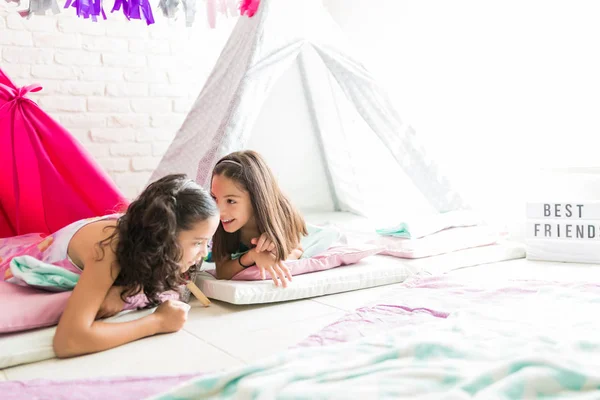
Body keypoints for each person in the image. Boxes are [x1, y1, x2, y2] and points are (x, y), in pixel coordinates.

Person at [44, 174, 219, 358]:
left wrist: (127, 290)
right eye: (198, 242)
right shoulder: (109, 247)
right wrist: (157, 322)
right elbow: (69, 341)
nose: (205, 253)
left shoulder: (149, 241)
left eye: (207, 242)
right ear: (166, 236)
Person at [209, 150, 307, 287]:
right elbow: (221, 272)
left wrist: (275, 250)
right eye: (214, 197)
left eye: (230, 201)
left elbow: (297, 250)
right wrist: (252, 256)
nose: (219, 210)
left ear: (256, 198)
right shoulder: (220, 220)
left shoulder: (283, 212)